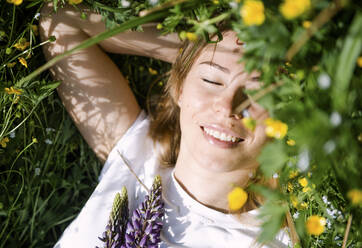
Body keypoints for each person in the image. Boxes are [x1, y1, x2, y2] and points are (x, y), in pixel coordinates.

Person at [40, 3, 294, 248]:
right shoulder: (138, 154)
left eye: (259, 94)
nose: (227, 107)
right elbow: (61, 23)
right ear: (180, 89)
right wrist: (196, 50)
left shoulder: (285, 236)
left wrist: (209, 58)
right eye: (211, 80)